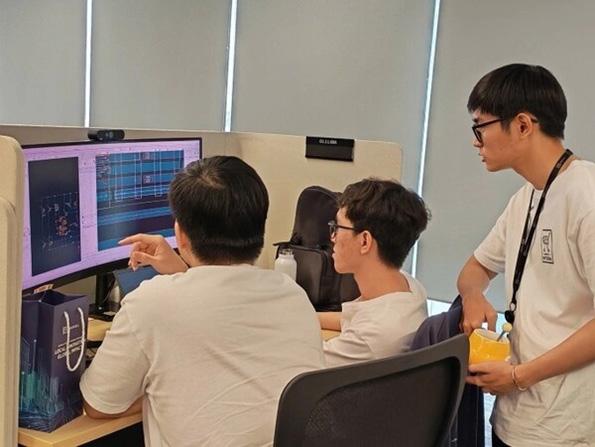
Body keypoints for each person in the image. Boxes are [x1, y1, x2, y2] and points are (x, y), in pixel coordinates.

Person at [80, 156, 325, 446]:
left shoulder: (151, 304)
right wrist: (184, 272)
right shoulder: (292, 294)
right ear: (260, 229)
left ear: (180, 235)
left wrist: (156, 393)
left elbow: (100, 404)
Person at [459, 64, 595, 446]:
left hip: (565, 428)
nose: (475, 141)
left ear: (522, 125)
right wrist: (473, 296)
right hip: (514, 417)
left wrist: (521, 376)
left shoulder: (586, 196)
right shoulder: (527, 197)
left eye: (480, 127)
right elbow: (475, 268)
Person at [318, 178, 430, 367]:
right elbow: (351, 319)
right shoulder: (409, 287)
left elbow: (301, 362)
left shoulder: (373, 335)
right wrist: (298, 316)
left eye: (337, 228)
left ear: (364, 241)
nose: (333, 237)